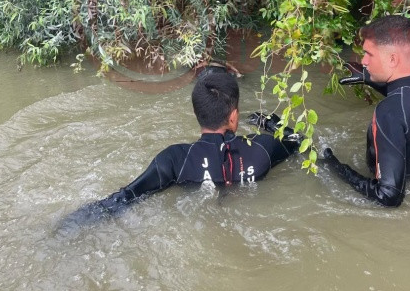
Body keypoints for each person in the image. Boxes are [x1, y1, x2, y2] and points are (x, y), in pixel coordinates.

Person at [58, 70, 300, 230]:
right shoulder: (263, 147)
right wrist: (270, 123)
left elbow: (124, 197)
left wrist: (70, 224)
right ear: (234, 116)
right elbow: (298, 141)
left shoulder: (176, 158)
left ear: (197, 113)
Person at [325, 15, 410, 207]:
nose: (363, 61)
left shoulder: (388, 112)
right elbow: (409, 101)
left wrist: (338, 169)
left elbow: (389, 196)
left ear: (392, 59)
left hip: (403, 210)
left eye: (369, 54)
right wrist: (370, 79)